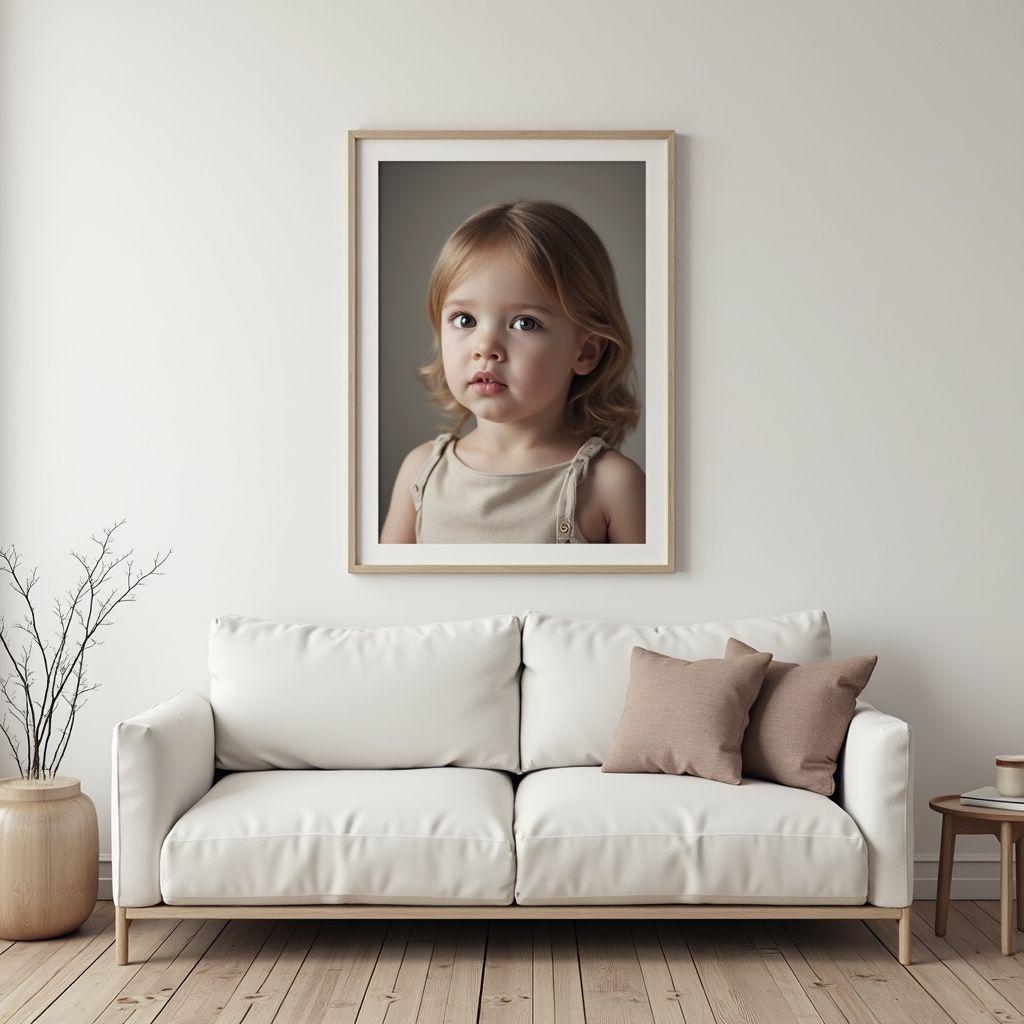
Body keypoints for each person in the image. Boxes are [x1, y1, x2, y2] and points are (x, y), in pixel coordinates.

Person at [380, 199, 645, 544]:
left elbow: (656, 598)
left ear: (586, 350)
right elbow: (386, 597)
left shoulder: (611, 484)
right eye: (465, 320)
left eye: (525, 323)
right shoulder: (421, 472)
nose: (485, 346)